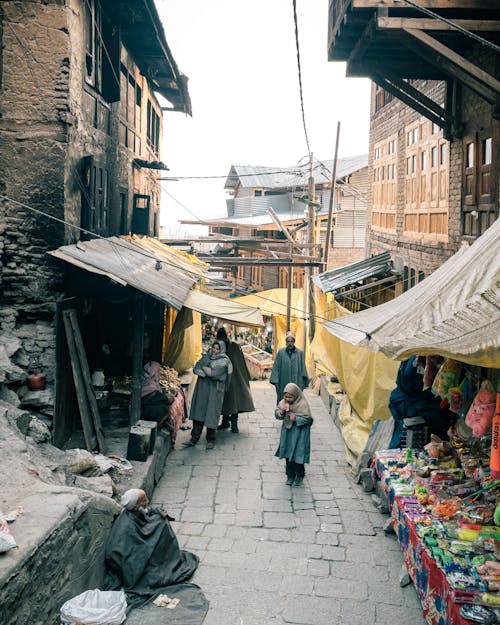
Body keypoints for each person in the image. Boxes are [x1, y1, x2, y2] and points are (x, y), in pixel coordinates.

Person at [104, 489, 199, 609]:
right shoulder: (126, 527)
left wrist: (159, 512)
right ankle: (161, 565)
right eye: (144, 500)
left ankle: (166, 559)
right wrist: (150, 546)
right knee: (157, 532)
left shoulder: (136, 510)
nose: (147, 501)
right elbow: (131, 552)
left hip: (139, 544)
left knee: (160, 520)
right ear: (136, 506)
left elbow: (148, 511)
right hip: (128, 558)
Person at [183, 340, 233, 449]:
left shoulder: (225, 361)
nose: (214, 350)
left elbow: (214, 374)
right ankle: (194, 438)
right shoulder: (206, 357)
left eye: (217, 349)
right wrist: (206, 371)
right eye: (213, 348)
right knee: (199, 413)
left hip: (215, 392)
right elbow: (196, 368)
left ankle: (210, 439)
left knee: (212, 414)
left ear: (221, 350)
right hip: (202, 390)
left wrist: (204, 369)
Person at [216, 327, 255, 433]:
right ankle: (231, 424)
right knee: (231, 401)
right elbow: (242, 363)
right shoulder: (234, 346)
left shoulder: (221, 347)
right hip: (234, 379)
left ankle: (230, 423)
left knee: (228, 401)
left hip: (228, 379)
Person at [274, 383, 313, 486]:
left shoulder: (302, 404)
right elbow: (277, 414)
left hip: (299, 434)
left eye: (290, 397)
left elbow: (308, 419)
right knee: (288, 455)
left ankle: (300, 475)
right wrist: (280, 413)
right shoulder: (284, 403)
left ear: (296, 395)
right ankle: (290, 475)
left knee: (297, 455)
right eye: (286, 396)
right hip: (288, 434)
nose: (288, 399)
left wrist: (296, 418)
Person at [269, 331, 309, 402]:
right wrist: (275, 381)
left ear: (294, 342)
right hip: (283, 381)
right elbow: (276, 367)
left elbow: (303, 368)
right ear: (286, 342)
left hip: (296, 381)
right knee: (283, 400)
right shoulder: (281, 352)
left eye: (291, 341)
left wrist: (304, 382)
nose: (290, 343)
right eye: (288, 341)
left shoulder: (300, 353)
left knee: (295, 400)